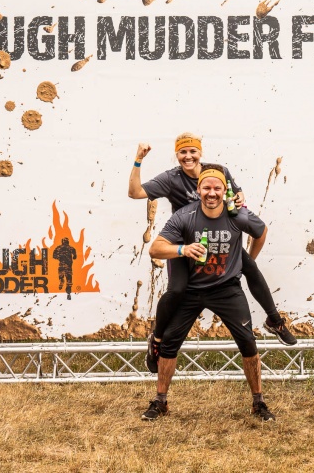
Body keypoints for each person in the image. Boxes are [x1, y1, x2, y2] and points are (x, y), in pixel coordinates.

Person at [128, 133, 296, 374]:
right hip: (186, 242)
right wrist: (138, 159)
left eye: (192, 151)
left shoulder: (218, 172)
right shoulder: (171, 179)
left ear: (200, 153)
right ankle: (156, 341)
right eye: (183, 152)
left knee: (250, 267)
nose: (188, 156)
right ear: (176, 154)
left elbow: (237, 199)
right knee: (177, 290)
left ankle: (275, 321)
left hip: (218, 239)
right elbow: (134, 193)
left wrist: (239, 200)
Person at [141, 166, 275, 421]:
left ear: (225, 191)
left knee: (248, 342)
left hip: (226, 290)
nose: (211, 193)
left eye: (217, 188)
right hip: (192, 290)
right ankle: (160, 401)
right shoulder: (184, 216)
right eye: (206, 188)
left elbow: (262, 231)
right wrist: (182, 250)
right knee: (169, 343)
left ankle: (258, 402)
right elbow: (155, 249)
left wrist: (248, 260)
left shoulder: (237, 214)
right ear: (198, 189)